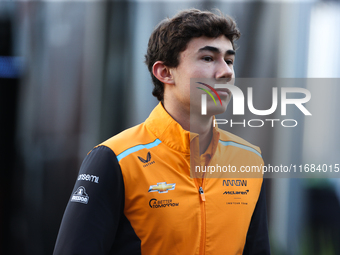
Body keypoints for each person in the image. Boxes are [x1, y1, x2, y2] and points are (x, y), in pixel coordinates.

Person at [53, 8, 270, 255]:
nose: (226, 72)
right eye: (208, 58)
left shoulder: (249, 160)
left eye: (229, 60)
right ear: (165, 72)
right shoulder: (114, 159)